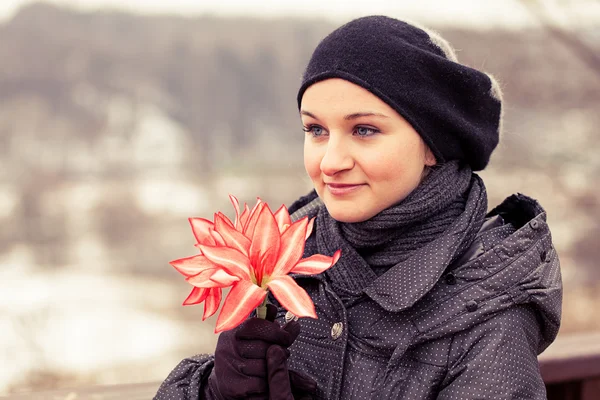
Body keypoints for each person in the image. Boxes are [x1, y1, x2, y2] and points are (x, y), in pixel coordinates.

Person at [154, 15, 562, 400]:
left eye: (364, 130)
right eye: (315, 130)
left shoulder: (490, 318)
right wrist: (212, 390)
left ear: (432, 147)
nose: (330, 161)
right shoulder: (286, 263)